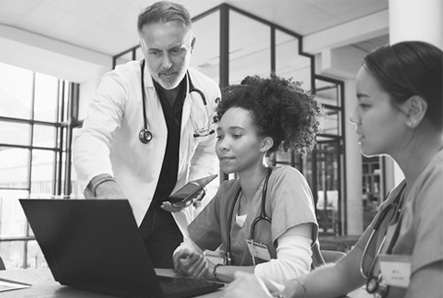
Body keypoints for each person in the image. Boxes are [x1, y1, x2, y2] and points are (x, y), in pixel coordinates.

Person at [222, 41, 443, 298]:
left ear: (413, 110)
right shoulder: (401, 196)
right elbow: (344, 273)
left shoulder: (439, 186)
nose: (352, 115)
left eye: (365, 104)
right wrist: (291, 289)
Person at [73, 1, 221, 269]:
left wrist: (197, 185)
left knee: (170, 286)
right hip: (124, 209)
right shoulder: (120, 82)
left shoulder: (208, 92)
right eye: (155, 52)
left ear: (193, 44)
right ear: (142, 48)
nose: (166, 64)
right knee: (113, 282)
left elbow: (208, 148)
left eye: (176, 50)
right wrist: (104, 185)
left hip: (172, 216)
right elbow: (92, 136)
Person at [172, 74, 323, 284]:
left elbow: (293, 271)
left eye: (236, 135)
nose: (223, 145)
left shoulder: (286, 182)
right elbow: (189, 245)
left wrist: (215, 271)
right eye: (220, 135)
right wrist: (184, 259)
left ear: (264, 144)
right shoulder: (228, 193)